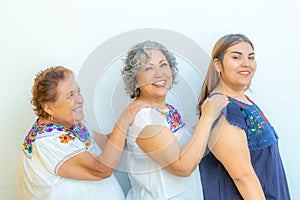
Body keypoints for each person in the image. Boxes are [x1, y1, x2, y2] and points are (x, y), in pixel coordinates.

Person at [17, 66, 147, 200]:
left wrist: (134, 126)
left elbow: (106, 143)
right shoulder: (48, 141)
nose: (80, 100)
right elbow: (101, 170)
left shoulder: (73, 124)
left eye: (78, 92)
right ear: (48, 107)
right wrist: (124, 121)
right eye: (71, 96)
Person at [120, 40, 227, 199]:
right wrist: (207, 118)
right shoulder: (144, 118)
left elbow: (191, 145)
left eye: (163, 65)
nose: (159, 73)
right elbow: (182, 167)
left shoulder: (166, 110)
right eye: (149, 68)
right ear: (135, 80)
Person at [197, 33, 290, 199]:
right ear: (218, 65)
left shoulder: (244, 102)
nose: (246, 64)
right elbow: (243, 177)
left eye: (251, 57)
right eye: (236, 57)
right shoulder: (222, 108)